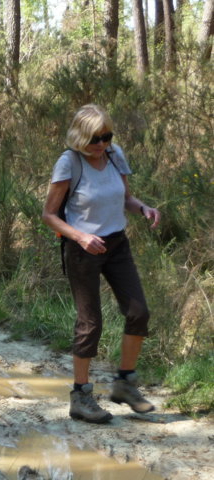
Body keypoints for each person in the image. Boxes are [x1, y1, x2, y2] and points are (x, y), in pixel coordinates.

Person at [41, 104, 160, 424]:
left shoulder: (115, 155)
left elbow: (124, 198)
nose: (102, 143)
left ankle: (125, 383)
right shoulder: (69, 163)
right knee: (90, 323)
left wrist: (143, 208)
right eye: (96, 138)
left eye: (107, 136)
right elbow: (49, 215)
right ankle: (81, 396)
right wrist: (80, 237)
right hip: (83, 251)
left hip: (116, 243)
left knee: (138, 312)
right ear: (80, 137)